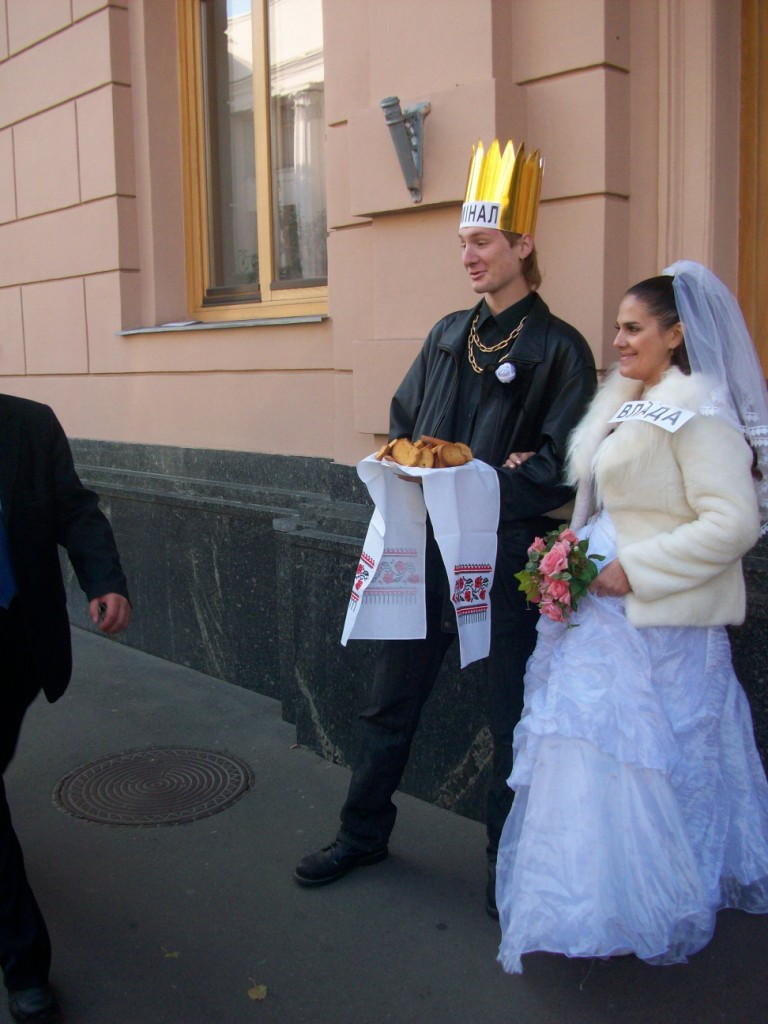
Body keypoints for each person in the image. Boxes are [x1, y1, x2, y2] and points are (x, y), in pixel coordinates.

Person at [294, 139, 597, 915]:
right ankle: (361, 832)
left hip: (503, 559)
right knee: (388, 702)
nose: (468, 255)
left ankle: (507, 869)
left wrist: (482, 478)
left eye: (482, 240)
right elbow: (406, 428)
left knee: (509, 719)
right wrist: (430, 464)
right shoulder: (444, 336)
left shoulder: (561, 350)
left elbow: (561, 468)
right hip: (423, 550)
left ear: (522, 244)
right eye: (463, 241)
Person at [496, 261, 768, 973]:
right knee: (592, 751)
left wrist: (637, 569)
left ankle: (661, 894)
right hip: (602, 610)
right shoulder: (628, 401)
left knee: (656, 758)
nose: (617, 340)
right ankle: (595, 899)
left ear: (675, 335)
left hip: (661, 624)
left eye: (633, 328)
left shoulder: (699, 415)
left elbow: (733, 523)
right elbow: (621, 492)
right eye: (616, 327)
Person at [0, 394, 131, 1023]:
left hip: (16, 639)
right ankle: (24, 963)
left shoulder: (28, 424)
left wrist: (104, 580)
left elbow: (74, 509)